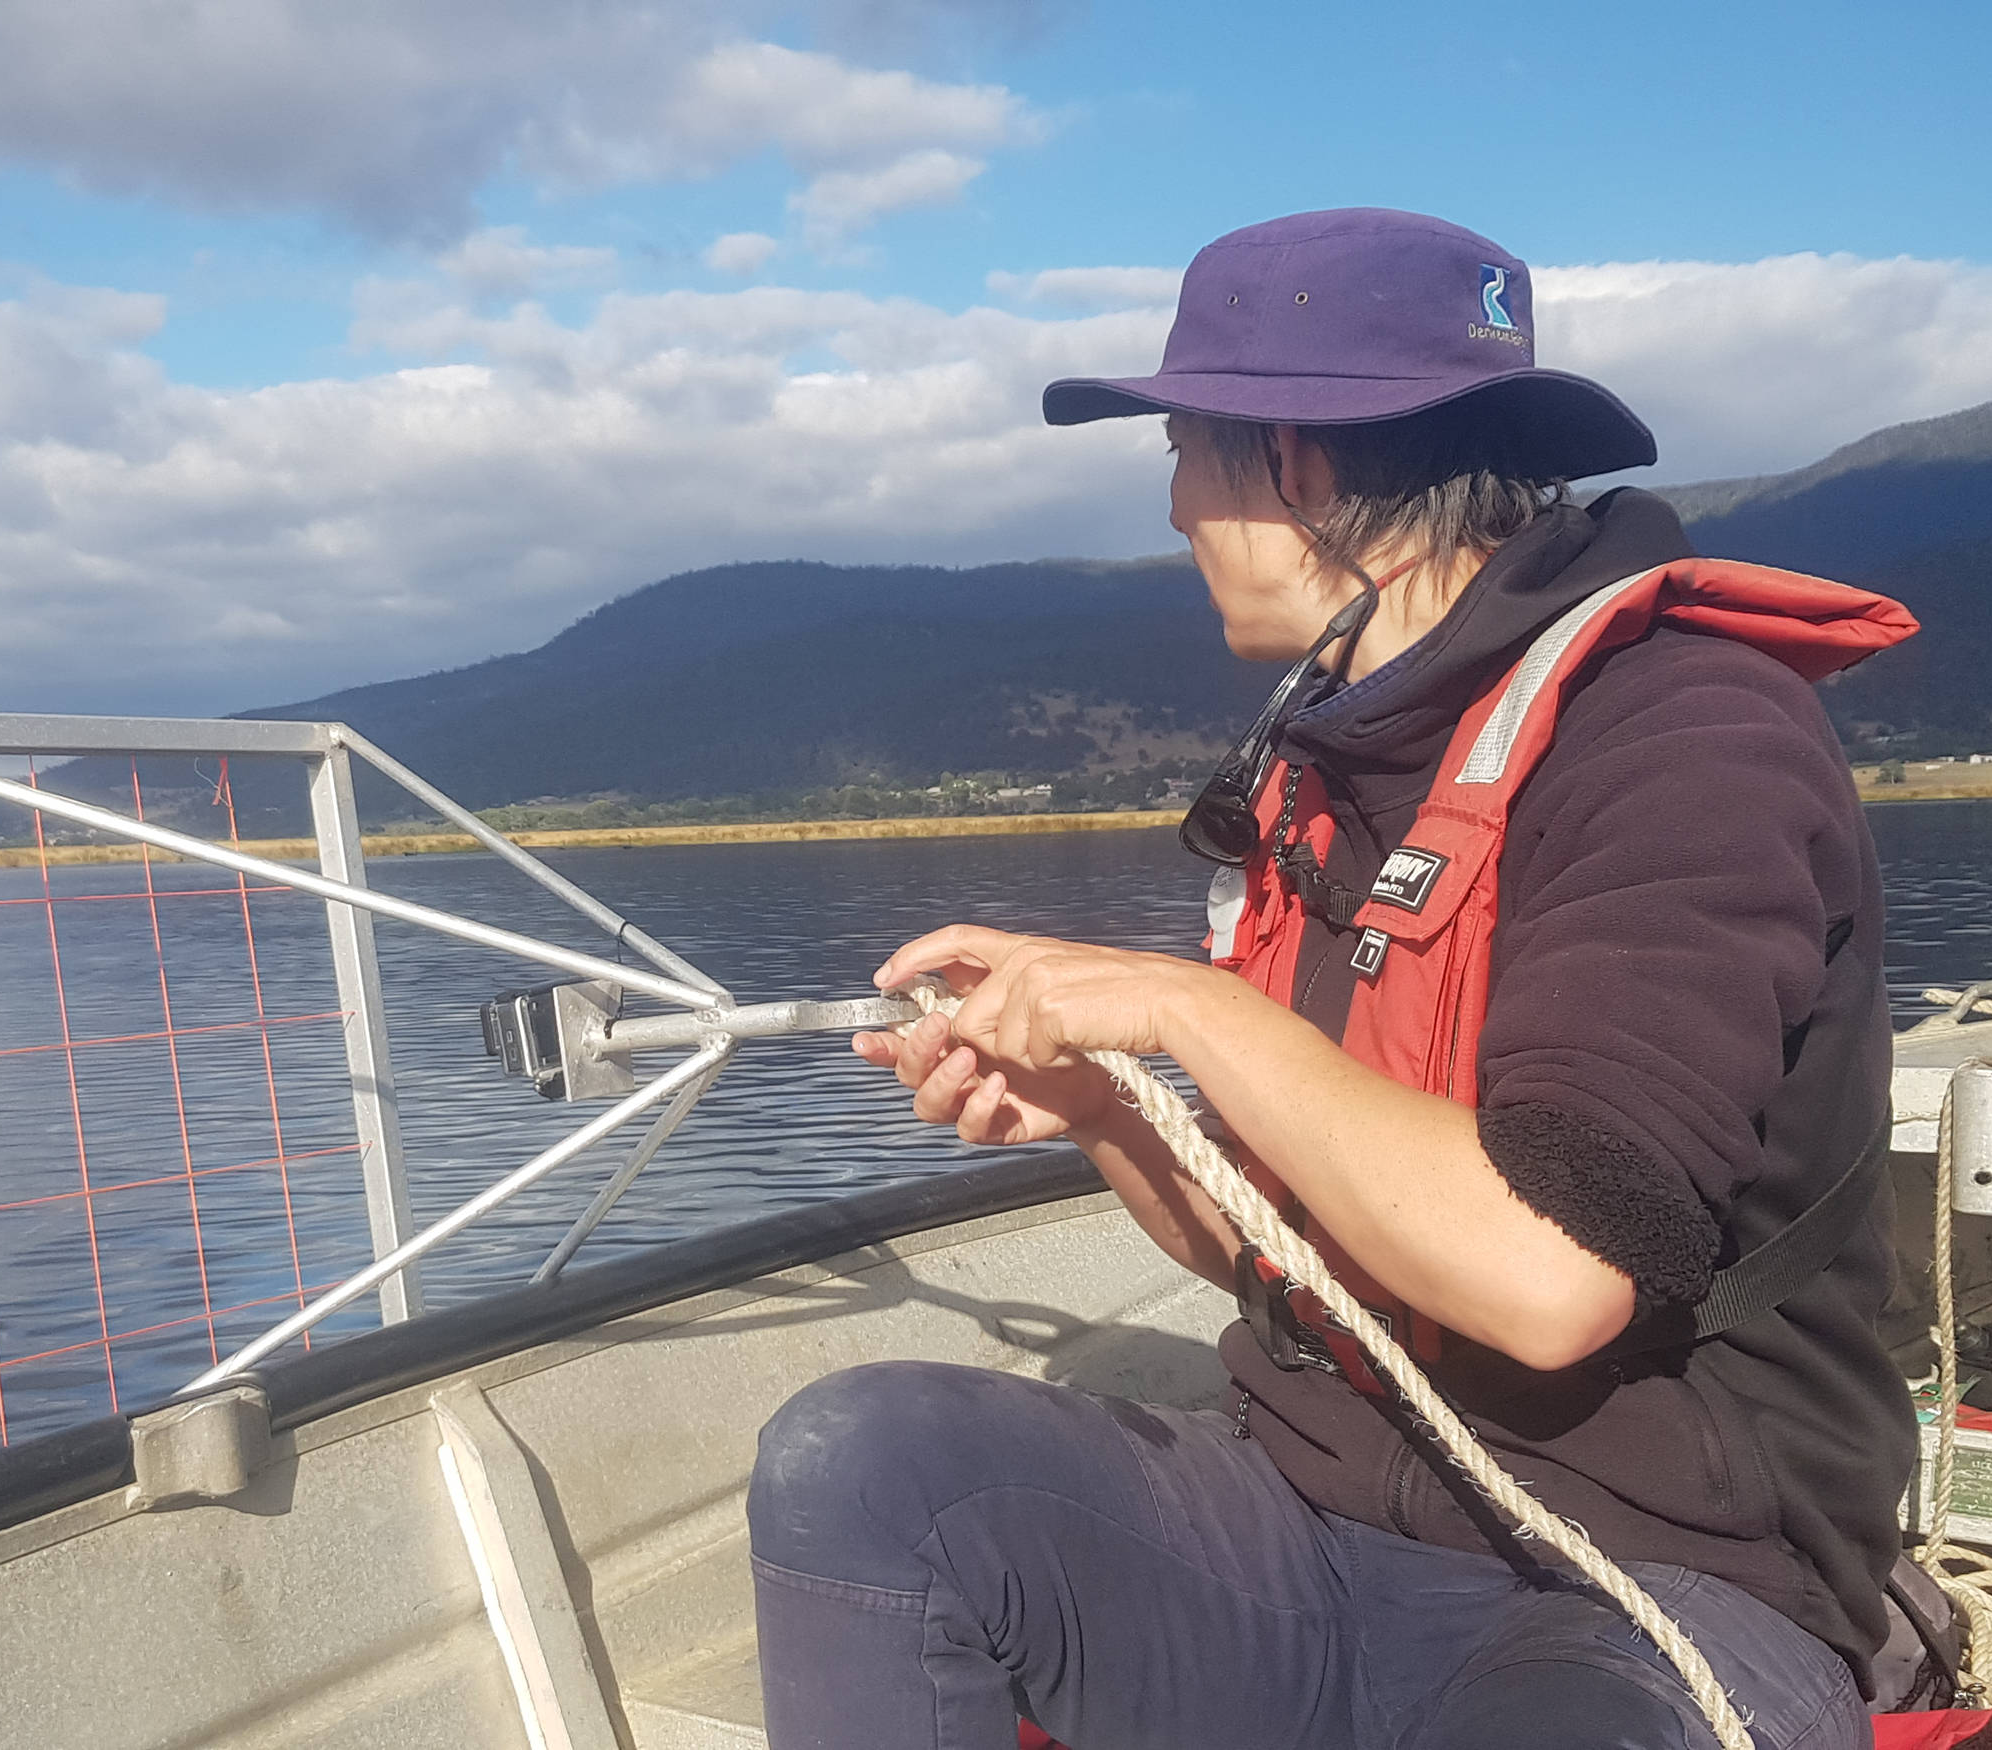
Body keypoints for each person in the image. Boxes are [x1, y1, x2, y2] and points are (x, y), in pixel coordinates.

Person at [745, 209, 1922, 1750]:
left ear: (1295, 467)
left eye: (1185, 453)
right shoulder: (1327, 771)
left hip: (1649, 1585)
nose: (1173, 511)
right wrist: (1101, 1102)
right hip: (1304, 1517)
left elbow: (1552, 1279)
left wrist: (1181, 1006)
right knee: (862, 1463)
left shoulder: (1692, 737)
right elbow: (1272, 1250)